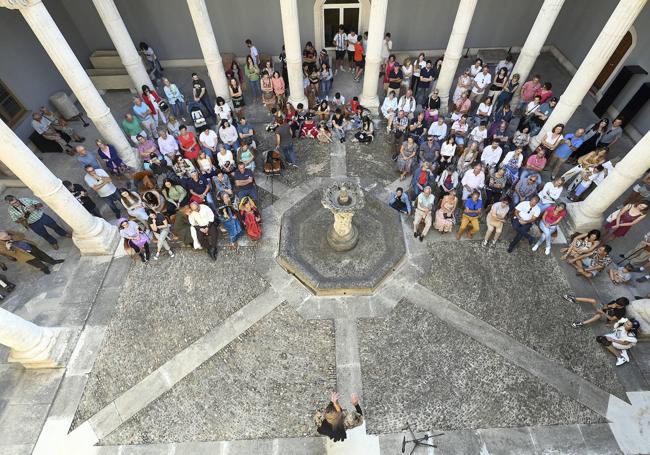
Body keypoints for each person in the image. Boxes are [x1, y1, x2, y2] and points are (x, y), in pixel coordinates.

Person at [5, 195, 70, 249]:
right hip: (32, 224)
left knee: (54, 226)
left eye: (16, 201)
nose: (16, 204)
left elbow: (40, 204)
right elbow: (16, 221)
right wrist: (22, 218)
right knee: (43, 234)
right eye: (13, 204)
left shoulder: (25, 200)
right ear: (9, 204)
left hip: (42, 217)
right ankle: (53, 242)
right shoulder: (10, 210)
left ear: (16, 198)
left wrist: (34, 207)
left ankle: (64, 233)